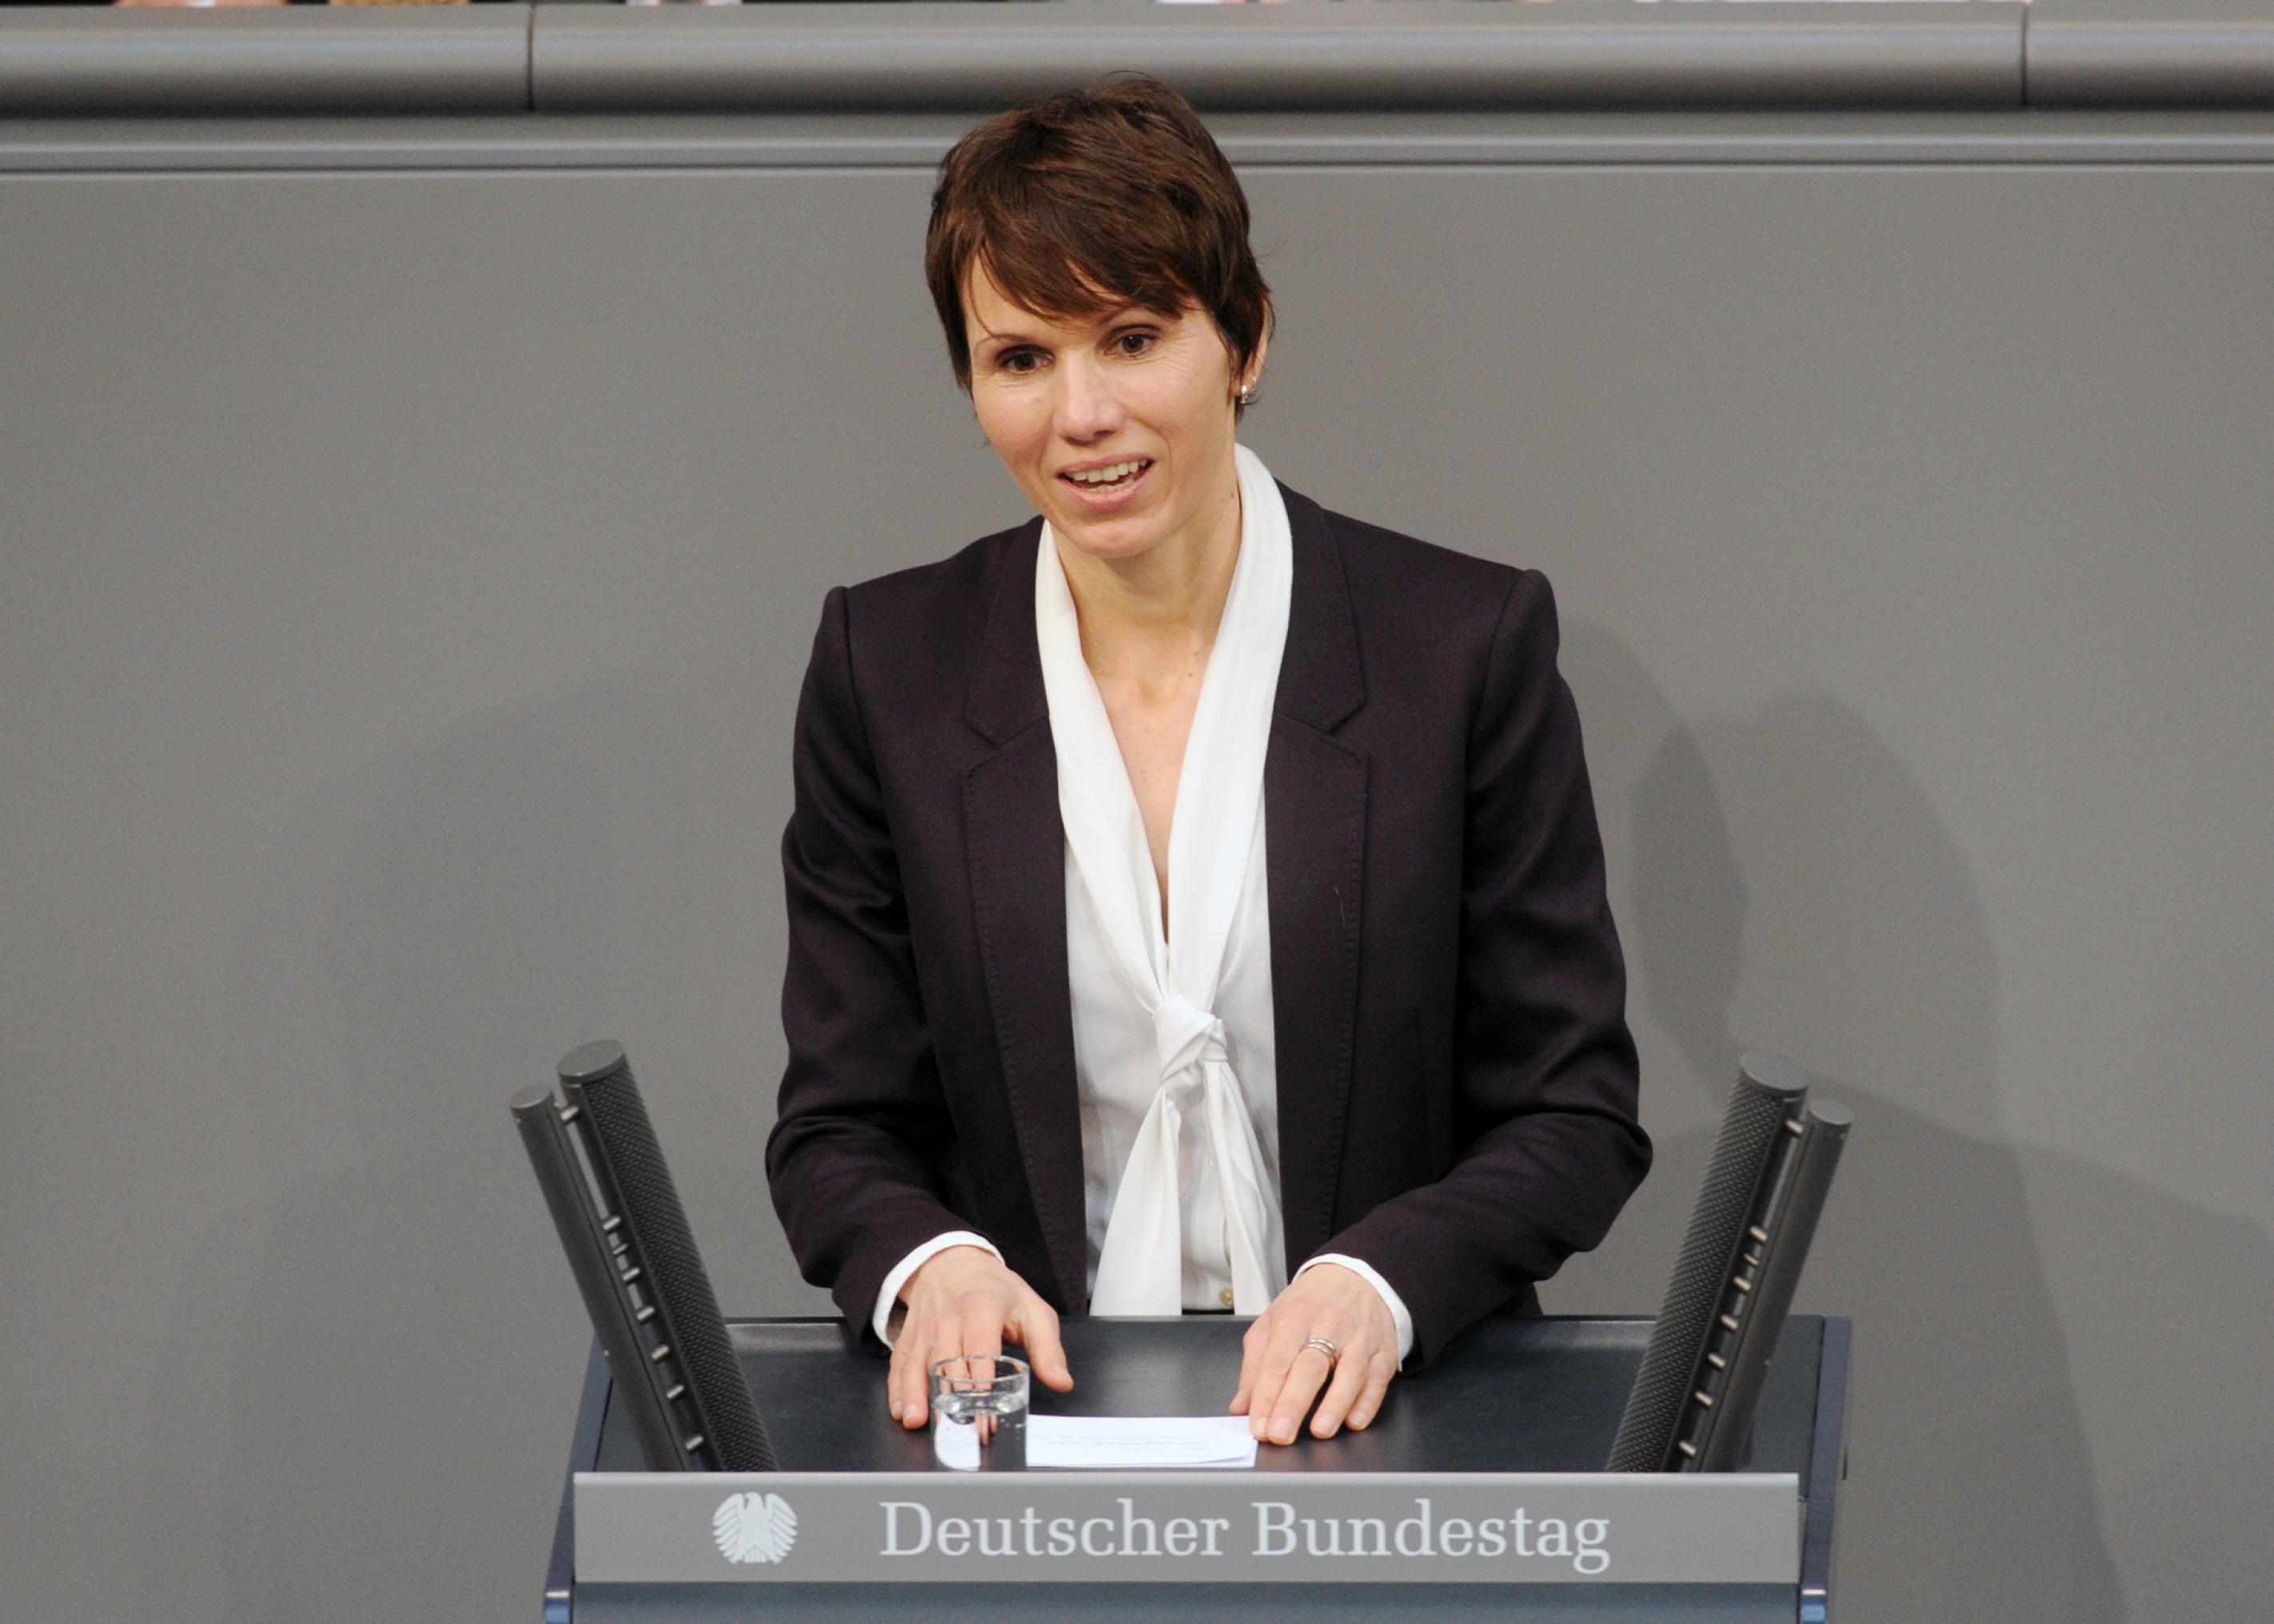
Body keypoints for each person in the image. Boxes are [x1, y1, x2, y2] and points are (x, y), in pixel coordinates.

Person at [766, 74, 1648, 1450]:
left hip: (1381, 1424)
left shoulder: (1461, 647)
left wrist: (1380, 1284)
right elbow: (838, 1130)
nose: (1082, 415)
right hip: (1028, 1442)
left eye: (1130, 338)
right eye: (1021, 359)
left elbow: (1574, 1109)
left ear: (1244, 339)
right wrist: (930, 1265)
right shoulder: (890, 669)